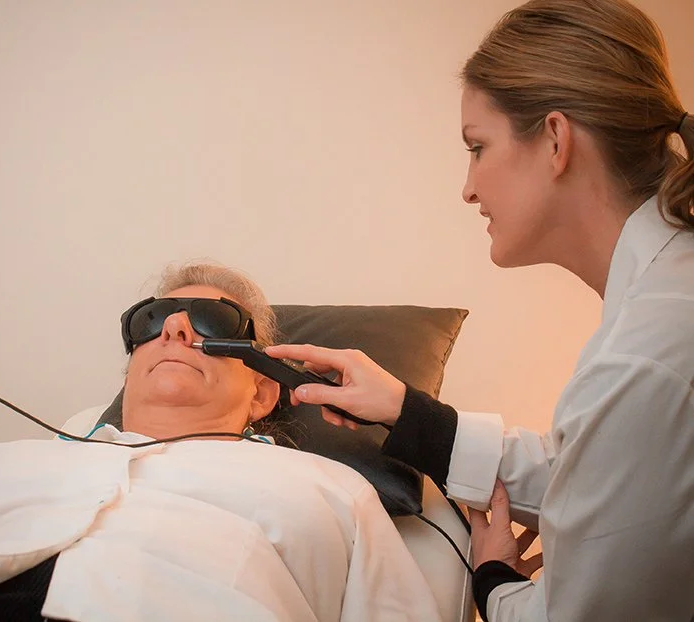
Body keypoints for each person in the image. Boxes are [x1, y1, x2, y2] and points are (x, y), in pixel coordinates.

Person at [267, 0, 694, 620]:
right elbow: (601, 478)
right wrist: (404, 411)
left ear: (554, 140)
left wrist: (493, 579)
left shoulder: (642, 357)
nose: (468, 187)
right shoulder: (662, 304)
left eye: (477, 147)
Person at [0, 262, 441, 622]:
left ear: (264, 391)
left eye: (212, 321)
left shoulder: (328, 492)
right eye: (152, 321)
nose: (175, 332)